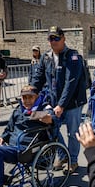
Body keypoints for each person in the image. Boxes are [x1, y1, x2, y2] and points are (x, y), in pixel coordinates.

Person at [31, 26, 87, 173]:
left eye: (56, 38)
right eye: (51, 38)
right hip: (54, 102)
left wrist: (61, 105)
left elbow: (71, 82)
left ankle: (73, 161)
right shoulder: (46, 57)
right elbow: (38, 78)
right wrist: (30, 93)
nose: (53, 41)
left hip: (72, 103)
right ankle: (63, 155)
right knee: (51, 128)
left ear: (63, 39)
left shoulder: (73, 56)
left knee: (73, 133)